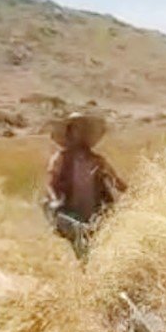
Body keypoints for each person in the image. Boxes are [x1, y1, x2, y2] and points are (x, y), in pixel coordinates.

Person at [43, 111, 127, 259]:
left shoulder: (97, 160)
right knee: (80, 238)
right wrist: (55, 200)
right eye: (75, 129)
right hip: (69, 211)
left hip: (95, 212)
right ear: (69, 132)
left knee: (95, 243)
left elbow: (115, 180)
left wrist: (134, 193)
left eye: (81, 129)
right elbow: (51, 183)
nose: (78, 133)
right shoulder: (60, 159)